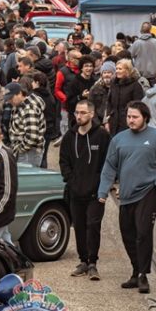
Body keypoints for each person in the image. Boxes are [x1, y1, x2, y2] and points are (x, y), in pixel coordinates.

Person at [97, 101, 156, 294]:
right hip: (126, 195)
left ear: (145, 117)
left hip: (148, 193)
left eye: (135, 117)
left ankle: (143, 275)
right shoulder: (119, 139)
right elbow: (109, 166)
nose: (131, 120)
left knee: (143, 233)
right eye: (128, 116)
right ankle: (135, 271)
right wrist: (103, 191)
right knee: (128, 235)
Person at [59, 100, 111, 280]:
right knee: (79, 227)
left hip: (95, 193)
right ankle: (83, 260)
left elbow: (108, 163)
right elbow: (64, 162)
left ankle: (93, 263)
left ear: (91, 114)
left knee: (93, 226)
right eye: (76, 112)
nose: (79, 116)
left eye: (82, 113)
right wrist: (71, 181)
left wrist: (101, 185)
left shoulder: (102, 136)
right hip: (75, 192)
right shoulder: (69, 137)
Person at [6, 82, 46, 166]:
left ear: (20, 93)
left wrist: (20, 149)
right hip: (26, 151)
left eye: (11, 98)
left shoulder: (29, 109)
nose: (9, 101)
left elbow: (32, 136)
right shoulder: (20, 106)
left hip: (29, 153)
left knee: (25, 177)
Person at [105, 59, 144, 136]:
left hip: (128, 123)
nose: (117, 71)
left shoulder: (135, 86)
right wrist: (107, 120)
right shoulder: (114, 84)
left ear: (127, 70)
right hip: (114, 123)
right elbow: (109, 103)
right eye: (116, 69)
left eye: (120, 69)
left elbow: (138, 106)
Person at [54, 49, 82, 136]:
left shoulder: (82, 70)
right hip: (66, 107)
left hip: (81, 105)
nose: (81, 60)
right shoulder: (62, 72)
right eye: (79, 58)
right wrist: (66, 99)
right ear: (71, 59)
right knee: (66, 127)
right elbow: (57, 90)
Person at [89, 60, 115, 126]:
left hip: (113, 121)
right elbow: (90, 106)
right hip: (98, 121)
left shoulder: (117, 88)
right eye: (104, 72)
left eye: (109, 72)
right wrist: (97, 123)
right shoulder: (95, 88)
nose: (106, 75)